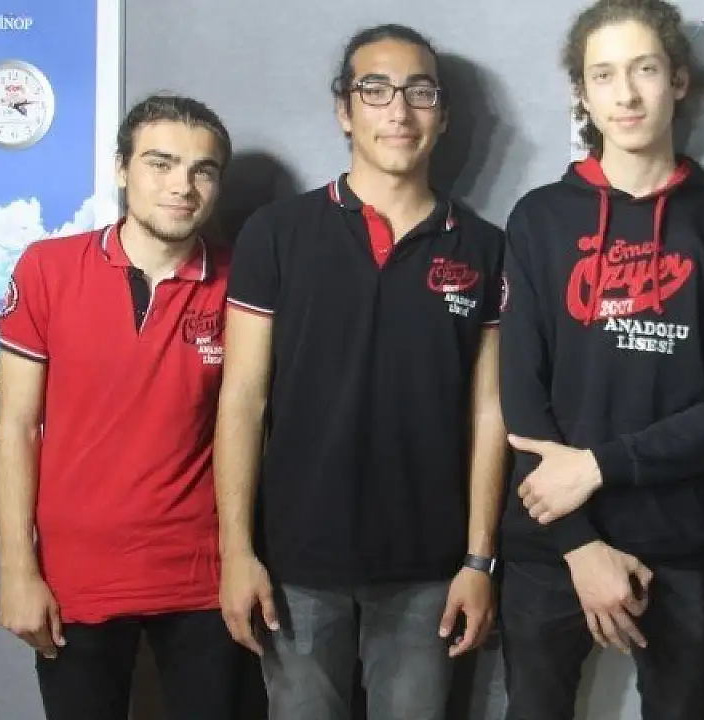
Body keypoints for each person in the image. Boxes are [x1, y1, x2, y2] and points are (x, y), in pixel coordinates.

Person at [214, 23, 507, 720]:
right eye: (375, 90)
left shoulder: (484, 248)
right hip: (296, 563)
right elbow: (243, 399)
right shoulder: (277, 233)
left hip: (429, 570)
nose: (398, 111)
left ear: (443, 114)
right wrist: (237, 551)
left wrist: (479, 560)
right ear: (344, 109)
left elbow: (489, 410)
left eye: (419, 92)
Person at [497, 1, 704, 718]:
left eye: (644, 70)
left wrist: (599, 466)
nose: (626, 94)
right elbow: (520, 398)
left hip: (677, 543)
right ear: (582, 94)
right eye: (604, 75)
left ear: (677, 80)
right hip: (550, 544)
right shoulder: (538, 220)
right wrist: (580, 545)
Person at [0, 94, 241, 720]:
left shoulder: (243, 280)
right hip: (76, 574)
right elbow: (16, 427)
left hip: (203, 575)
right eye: (161, 163)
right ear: (122, 168)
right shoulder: (48, 268)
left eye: (202, 170)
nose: (182, 185)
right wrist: (17, 569)